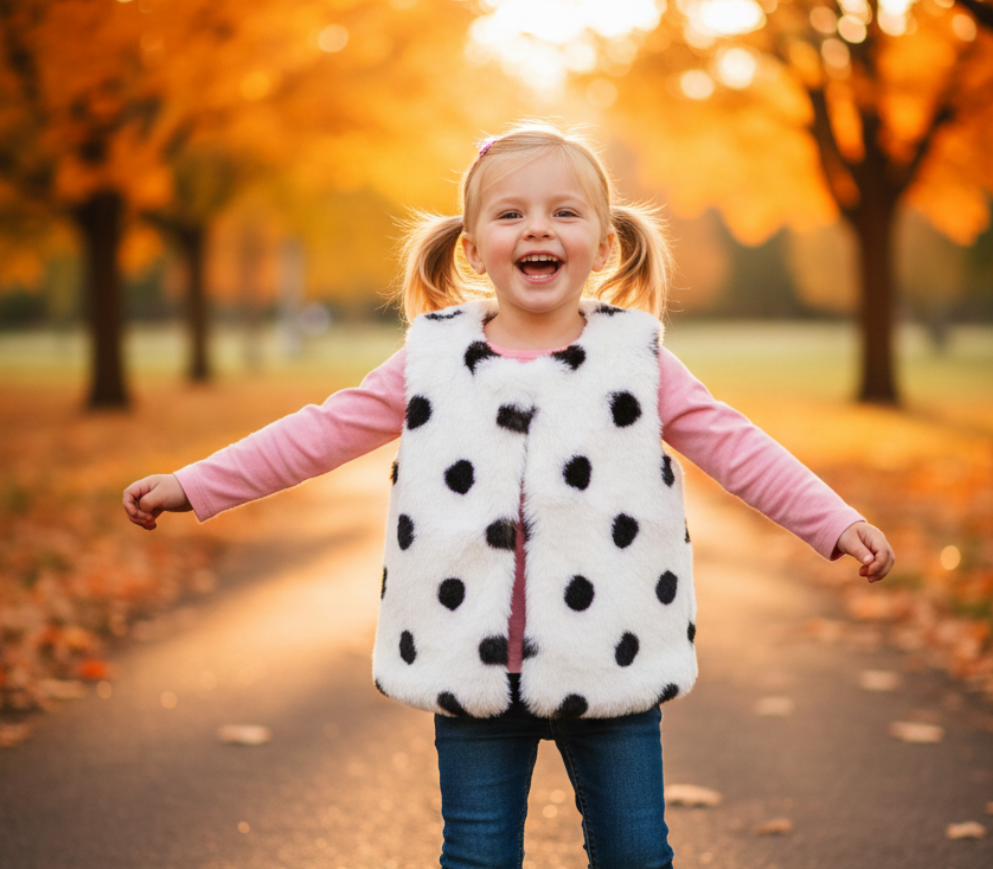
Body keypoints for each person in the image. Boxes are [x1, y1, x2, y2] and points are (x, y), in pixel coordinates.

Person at [123, 123, 894, 869]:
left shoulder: (637, 357)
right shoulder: (432, 355)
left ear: (603, 242)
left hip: (609, 664)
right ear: (473, 244)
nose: (540, 229)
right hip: (471, 669)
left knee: (634, 852)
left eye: (565, 213)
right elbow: (319, 433)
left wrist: (835, 521)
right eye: (512, 213)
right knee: (477, 855)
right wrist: (196, 484)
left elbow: (737, 447)